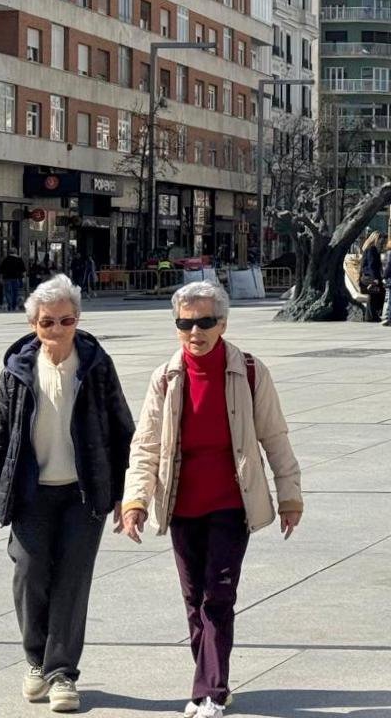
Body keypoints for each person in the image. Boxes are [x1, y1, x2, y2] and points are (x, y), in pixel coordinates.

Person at [121, 281, 303, 718]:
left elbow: (275, 436)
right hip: (181, 505)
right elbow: (145, 445)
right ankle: (211, 677)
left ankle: (210, 692)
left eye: (205, 322)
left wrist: (289, 496)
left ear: (223, 323)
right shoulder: (165, 377)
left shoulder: (249, 371)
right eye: (185, 324)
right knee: (193, 599)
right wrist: (135, 501)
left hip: (231, 502)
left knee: (218, 595)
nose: (194, 332)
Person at [0, 274, 135, 716]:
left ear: (77, 319)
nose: (58, 329)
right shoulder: (16, 371)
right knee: (29, 575)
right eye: (48, 322)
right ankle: (35, 661)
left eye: (67, 320)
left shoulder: (96, 365)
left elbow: (122, 430)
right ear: (33, 324)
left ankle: (62, 672)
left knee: (71, 581)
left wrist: (125, 495)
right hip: (31, 493)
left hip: (84, 495)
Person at [359, 231, 385, 322]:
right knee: (376, 294)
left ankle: (371, 315)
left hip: (367, 276)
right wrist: (375, 279)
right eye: (380, 239)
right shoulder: (371, 249)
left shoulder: (369, 249)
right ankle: (373, 315)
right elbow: (371, 265)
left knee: (375, 295)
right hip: (371, 277)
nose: (382, 242)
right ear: (375, 239)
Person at [1, 247, 28, 312]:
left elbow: (2, 270)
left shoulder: (6, 259)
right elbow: (23, 270)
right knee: (15, 292)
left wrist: (1, 278)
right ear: (16, 252)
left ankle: (9, 304)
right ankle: (14, 305)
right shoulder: (19, 259)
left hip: (7, 278)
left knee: (7, 292)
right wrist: (24, 278)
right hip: (16, 278)